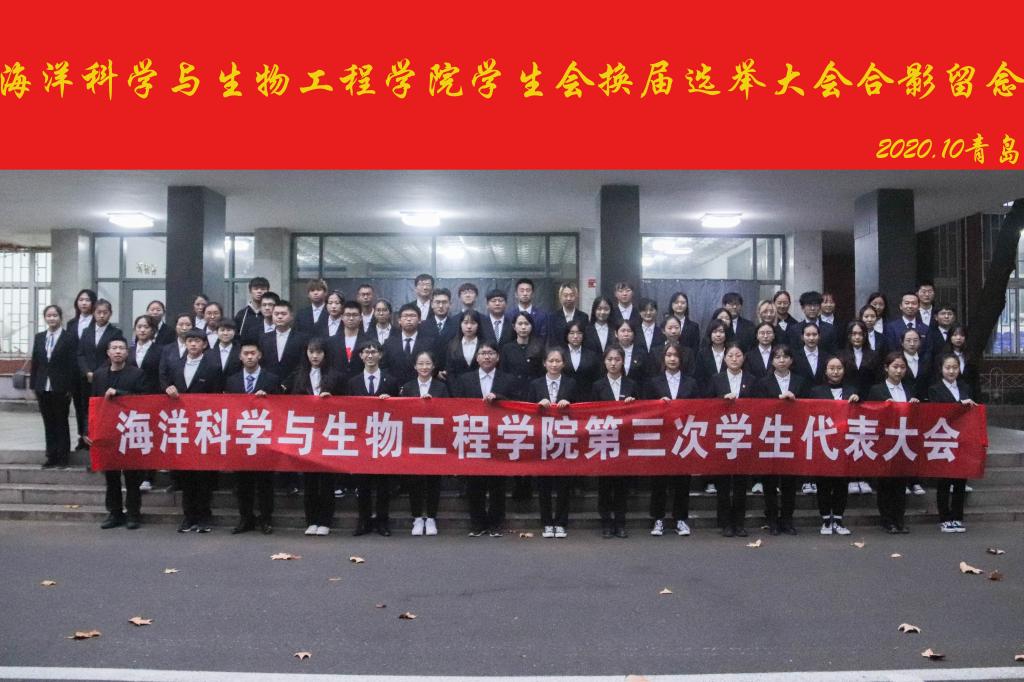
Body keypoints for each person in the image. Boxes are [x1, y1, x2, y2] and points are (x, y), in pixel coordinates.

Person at [163, 328, 224, 533]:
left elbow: (218, 396)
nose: (193, 344)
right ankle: (188, 516)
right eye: (190, 341)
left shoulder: (213, 367)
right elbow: (165, 383)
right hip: (182, 425)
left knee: (203, 474)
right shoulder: (175, 365)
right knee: (186, 473)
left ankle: (204, 516)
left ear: (204, 344)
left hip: (204, 425)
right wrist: (167, 388)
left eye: (197, 341)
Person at [453, 342, 516, 537]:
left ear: (497, 357)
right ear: (477, 357)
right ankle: (477, 523)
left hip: (499, 436)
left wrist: (499, 397)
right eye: (483, 353)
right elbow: (458, 405)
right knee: (475, 483)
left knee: (498, 483)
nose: (487, 356)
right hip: (474, 436)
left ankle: (496, 523)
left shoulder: (508, 379)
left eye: (491, 353)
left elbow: (517, 403)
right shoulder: (465, 379)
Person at [286, 338, 344, 537]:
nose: (315, 356)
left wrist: (331, 400)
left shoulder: (336, 376)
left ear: (325, 354)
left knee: (327, 480)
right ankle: (311, 520)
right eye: (311, 352)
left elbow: (347, 402)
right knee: (310, 480)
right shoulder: (298, 375)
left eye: (319, 352)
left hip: (328, 431)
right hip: (307, 432)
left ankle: (326, 520)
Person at [225, 341, 281, 535]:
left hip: (264, 438)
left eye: (253, 353)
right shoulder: (231, 381)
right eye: (246, 353)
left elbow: (282, 408)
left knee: (265, 482)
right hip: (240, 438)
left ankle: (266, 519)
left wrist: (268, 399)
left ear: (259, 355)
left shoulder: (271, 379)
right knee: (243, 483)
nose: (249, 357)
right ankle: (245, 518)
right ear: (240, 356)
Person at [91, 337, 147, 529]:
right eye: (114, 348)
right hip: (107, 431)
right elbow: (92, 402)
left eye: (121, 348)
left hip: (130, 430)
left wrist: (120, 393)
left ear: (127, 352)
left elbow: (143, 399)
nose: (117, 351)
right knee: (111, 476)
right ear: (108, 352)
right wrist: (89, 430)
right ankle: (115, 513)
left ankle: (133, 514)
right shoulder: (99, 375)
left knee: (132, 477)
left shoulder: (137, 374)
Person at [645, 342, 699, 537]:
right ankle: (658, 518)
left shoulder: (691, 382)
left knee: (682, 480)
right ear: (663, 358)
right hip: (661, 436)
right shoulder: (653, 382)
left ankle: (680, 519)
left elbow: (699, 408)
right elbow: (645, 408)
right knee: (659, 480)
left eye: (676, 355)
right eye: (668, 355)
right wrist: (658, 404)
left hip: (684, 436)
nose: (672, 359)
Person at [347, 339, 399, 536]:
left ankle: (382, 522)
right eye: (366, 352)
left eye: (374, 352)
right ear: (360, 356)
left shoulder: (390, 381)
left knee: (383, 484)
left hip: (384, 437)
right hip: (362, 438)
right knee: (363, 484)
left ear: (380, 355)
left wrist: (390, 402)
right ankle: (364, 521)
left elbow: (400, 410)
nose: (370, 355)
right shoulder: (353, 382)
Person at [756, 345, 808, 535]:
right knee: (769, 481)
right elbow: (758, 407)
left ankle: (787, 519)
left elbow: (810, 406)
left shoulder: (800, 381)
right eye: (777, 357)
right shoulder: (763, 382)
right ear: (772, 361)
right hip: (770, 434)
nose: (781, 360)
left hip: (793, 435)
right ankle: (771, 519)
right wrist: (778, 400)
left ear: (791, 360)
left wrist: (796, 401)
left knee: (789, 481)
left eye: (785, 356)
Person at [867, 352, 919, 534]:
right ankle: (887, 519)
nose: (898, 371)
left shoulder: (910, 389)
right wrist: (883, 407)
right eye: (895, 367)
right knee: (885, 483)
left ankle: (899, 519)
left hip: (904, 441)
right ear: (886, 368)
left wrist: (916, 405)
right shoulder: (877, 390)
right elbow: (870, 415)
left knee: (901, 483)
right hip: (885, 441)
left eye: (902, 367)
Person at [399, 350, 450, 536]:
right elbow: (401, 412)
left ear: (433, 366)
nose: (424, 367)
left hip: (435, 440)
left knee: (433, 480)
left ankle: (431, 517)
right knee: (415, 480)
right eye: (420, 363)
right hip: (414, 440)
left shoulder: (441, 387)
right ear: (415, 366)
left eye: (428, 363)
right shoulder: (407, 387)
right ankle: (417, 518)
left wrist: (433, 404)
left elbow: (448, 411)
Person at [527, 348, 577, 538]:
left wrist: (568, 404)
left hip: (565, 438)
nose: (554, 364)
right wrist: (538, 405)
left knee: (564, 484)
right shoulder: (535, 384)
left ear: (564, 363)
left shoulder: (571, 383)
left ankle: (561, 522)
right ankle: (547, 522)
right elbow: (525, 409)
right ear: (544, 363)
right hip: (543, 440)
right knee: (544, 484)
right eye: (551, 361)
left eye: (558, 361)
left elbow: (582, 409)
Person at [809, 357, 860, 536]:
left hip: (844, 444)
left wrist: (858, 402)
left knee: (841, 484)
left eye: (839, 368)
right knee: (823, 484)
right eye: (831, 368)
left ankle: (838, 519)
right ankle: (825, 519)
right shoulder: (816, 391)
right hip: (823, 443)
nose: (835, 371)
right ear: (825, 371)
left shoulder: (852, 391)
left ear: (844, 370)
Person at [929, 353, 979, 533]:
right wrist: (959, 405)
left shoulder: (965, 387)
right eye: (948, 368)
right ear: (941, 369)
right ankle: (944, 518)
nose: (951, 371)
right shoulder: (935, 389)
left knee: (960, 480)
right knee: (944, 481)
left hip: (962, 438)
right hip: (944, 438)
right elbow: (937, 413)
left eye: (955, 368)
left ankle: (957, 517)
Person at [591, 346, 638, 538]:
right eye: (609, 359)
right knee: (605, 485)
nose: (613, 363)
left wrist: (633, 404)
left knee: (621, 485)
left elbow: (643, 412)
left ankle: (620, 522)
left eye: (617, 359)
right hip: (604, 440)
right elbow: (591, 413)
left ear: (623, 361)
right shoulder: (597, 385)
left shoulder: (632, 384)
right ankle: (606, 523)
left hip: (624, 440)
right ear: (604, 362)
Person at [709, 343, 756, 537]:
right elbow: (706, 405)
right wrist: (722, 401)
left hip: (744, 435)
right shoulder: (716, 379)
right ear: (725, 359)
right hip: (723, 435)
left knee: (740, 484)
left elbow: (759, 406)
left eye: (738, 355)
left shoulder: (752, 380)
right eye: (730, 355)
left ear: (743, 358)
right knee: (723, 483)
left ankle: (739, 522)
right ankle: (725, 523)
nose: (734, 359)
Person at [32, 304, 76, 469]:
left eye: (55, 315)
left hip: (61, 387)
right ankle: (51, 456)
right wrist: (34, 385)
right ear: (45, 318)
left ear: (60, 318)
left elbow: (72, 364)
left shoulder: (68, 337)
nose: (52, 318)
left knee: (61, 422)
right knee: (48, 422)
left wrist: (70, 388)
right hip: (43, 386)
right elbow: (35, 362)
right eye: (49, 316)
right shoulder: (39, 337)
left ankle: (63, 457)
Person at [75, 298, 123, 440]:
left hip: (106, 377)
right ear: (93, 313)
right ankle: (84, 438)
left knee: (104, 408)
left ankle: (103, 438)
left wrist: (98, 373)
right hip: (87, 378)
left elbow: (114, 355)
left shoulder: (115, 332)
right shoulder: (86, 332)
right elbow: (80, 354)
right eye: (98, 312)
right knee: (86, 408)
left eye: (105, 312)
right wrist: (87, 372)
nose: (102, 315)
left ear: (110, 314)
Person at [127, 314, 163, 491]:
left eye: (146, 327)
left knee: (150, 438)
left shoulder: (160, 350)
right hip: (131, 399)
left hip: (152, 398)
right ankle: (134, 476)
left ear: (153, 330)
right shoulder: (129, 350)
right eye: (139, 327)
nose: (142, 330)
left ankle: (149, 476)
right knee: (133, 438)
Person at [382, 303, 437, 387]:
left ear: (419, 320)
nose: (409, 319)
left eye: (412, 316)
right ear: (399, 320)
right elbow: (384, 367)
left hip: (420, 388)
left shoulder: (430, 343)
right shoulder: (389, 343)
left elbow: (434, 367)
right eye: (405, 316)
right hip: (394, 388)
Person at [258, 299, 310, 387]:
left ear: (291, 316)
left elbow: (303, 364)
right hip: (269, 387)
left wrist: (287, 384)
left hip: (295, 386)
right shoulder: (264, 338)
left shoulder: (302, 338)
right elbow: (261, 364)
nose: (279, 317)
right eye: (276, 314)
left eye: (283, 314)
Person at [499, 311, 546, 399]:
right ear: (514, 326)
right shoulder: (507, 348)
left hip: (534, 391)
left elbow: (542, 373)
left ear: (531, 326)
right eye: (520, 324)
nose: (523, 327)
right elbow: (503, 373)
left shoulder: (539, 347)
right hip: (513, 392)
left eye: (526, 324)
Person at [325, 300, 367, 381]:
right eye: (348, 315)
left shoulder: (368, 341)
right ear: (342, 317)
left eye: (355, 315)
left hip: (360, 385)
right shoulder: (331, 342)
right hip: (337, 385)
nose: (351, 318)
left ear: (361, 317)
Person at [561, 320, 600, 400]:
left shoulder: (592, 355)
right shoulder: (560, 354)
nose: (575, 336)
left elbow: (596, 379)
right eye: (572, 333)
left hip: (586, 398)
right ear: (566, 335)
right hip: (563, 398)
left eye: (579, 333)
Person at [440, 310, 483, 379]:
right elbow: (449, 370)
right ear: (460, 324)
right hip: (456, 384)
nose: (469, 326)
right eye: (465, 323)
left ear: (478, 325)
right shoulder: (452, 345)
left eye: (473, 323)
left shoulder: (484, 344)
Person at [547, 282, 589, 347]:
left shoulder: (583, 317)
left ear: (576, 297)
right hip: (559, 352)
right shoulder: (552, 317)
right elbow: (551, 341)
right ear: (560, 297)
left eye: (572, 295)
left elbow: (586, 340)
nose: (569, 298)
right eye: (565, 295)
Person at [234, 276, 271, 345]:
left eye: (263, 289)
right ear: (250, 291)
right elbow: (235, 337)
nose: (259, 291)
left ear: (268, 291)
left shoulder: (272, 313)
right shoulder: (241, 314)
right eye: (256, 289)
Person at [695, 319, 729, 392]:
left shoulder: (730, 353)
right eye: (714, 332)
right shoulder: (702, 354)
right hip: (707, 395)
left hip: (729, 395)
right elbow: (698, 378)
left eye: (721, 331)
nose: (718, 335)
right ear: (710, 334)